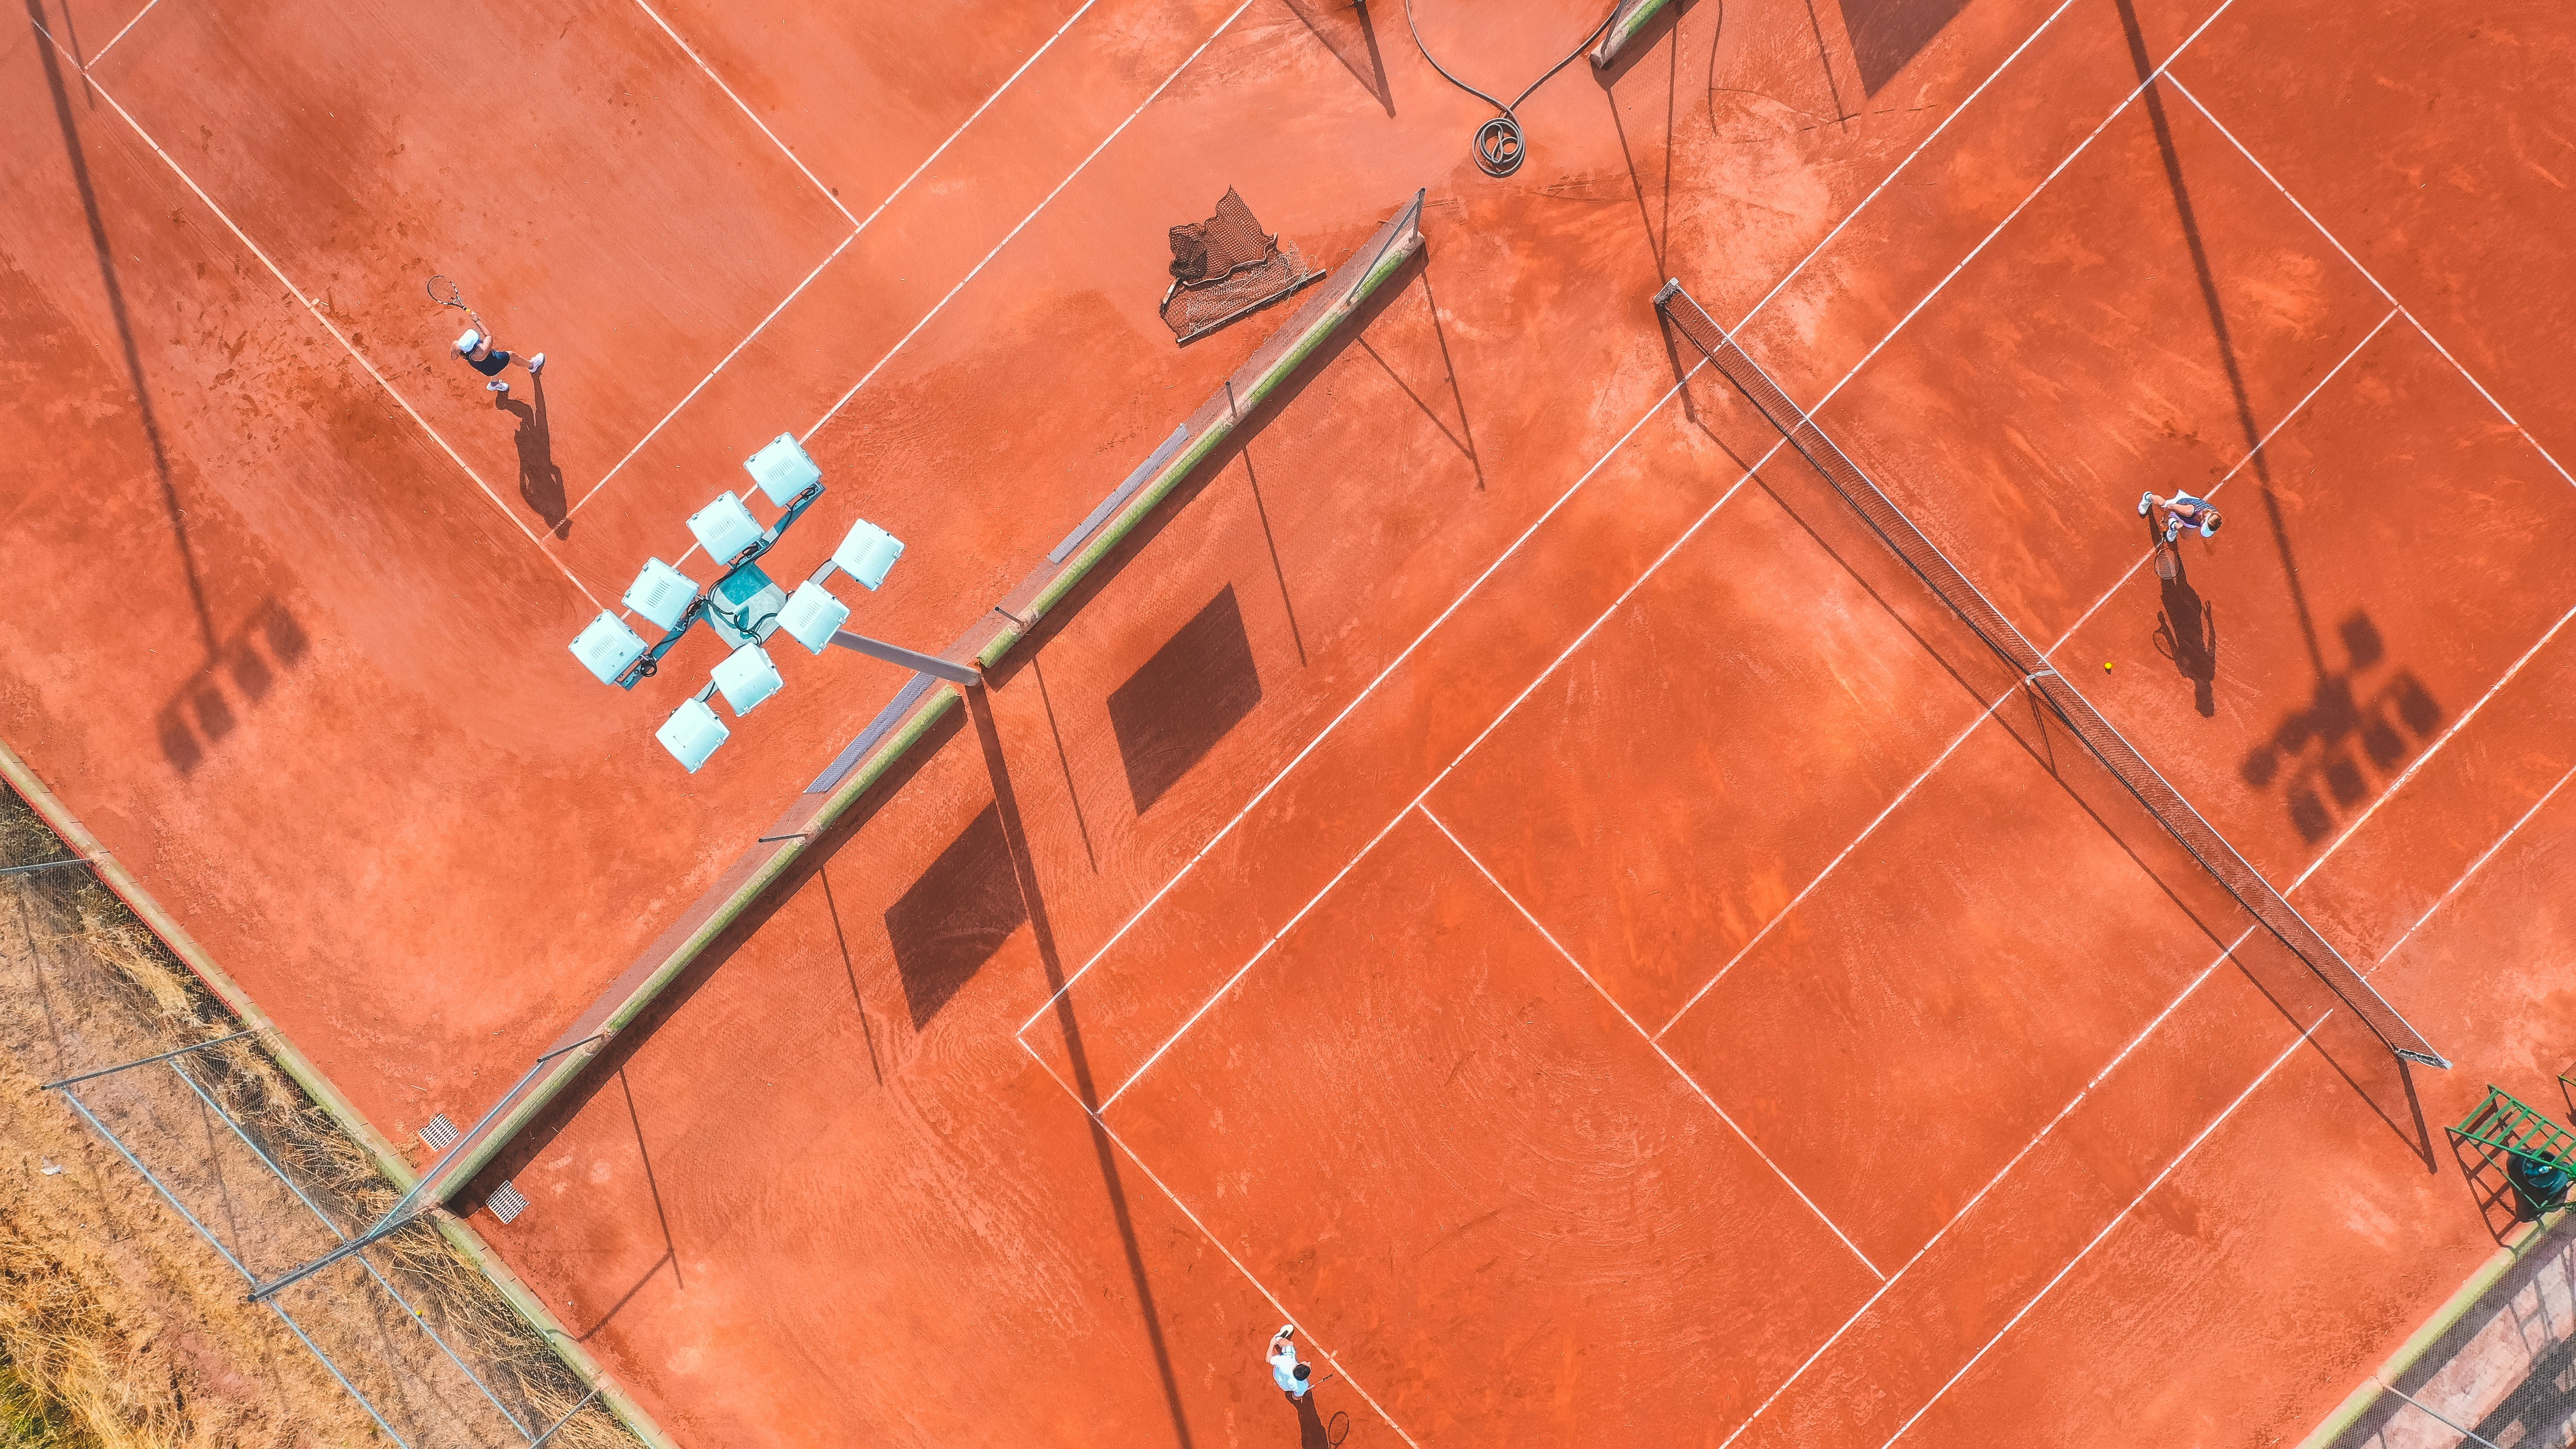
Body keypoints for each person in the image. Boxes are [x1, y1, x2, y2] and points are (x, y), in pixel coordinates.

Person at [453, 326, 544, 395]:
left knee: (493, 370)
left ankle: (494, 384)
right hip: (495, 363)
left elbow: (453, 357)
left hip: (485, 368)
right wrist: (477, 320)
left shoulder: (456, 346)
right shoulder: (481, 354)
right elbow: (489, 336)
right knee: (512, 356)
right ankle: (532, 366)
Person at [2141, 490, 2222, 543]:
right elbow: (2170, 507)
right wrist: (2165, 521)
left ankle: (2173, 525)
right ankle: (2148, 497)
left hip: (2191, 520)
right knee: (2163, 505)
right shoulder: (2189, 512)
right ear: (2203, 519)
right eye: (2203, 525)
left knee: (2185, 535)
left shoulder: (2215, 517)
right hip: (2178, 506)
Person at [1266, 1325, 1312, 1400]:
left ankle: (1279, 1338)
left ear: (1297, 1366)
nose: (1309, 1363)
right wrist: (1302, 1391)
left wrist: (1272, 1344)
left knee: (1290, 1345)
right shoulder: (1304, 1386)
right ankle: (1279, 1339)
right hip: (1284, 1387)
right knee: (1290, 1346)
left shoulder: (1284, 1361)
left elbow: (1268, 1359)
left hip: (1277, 1375)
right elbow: (1295, 1398)